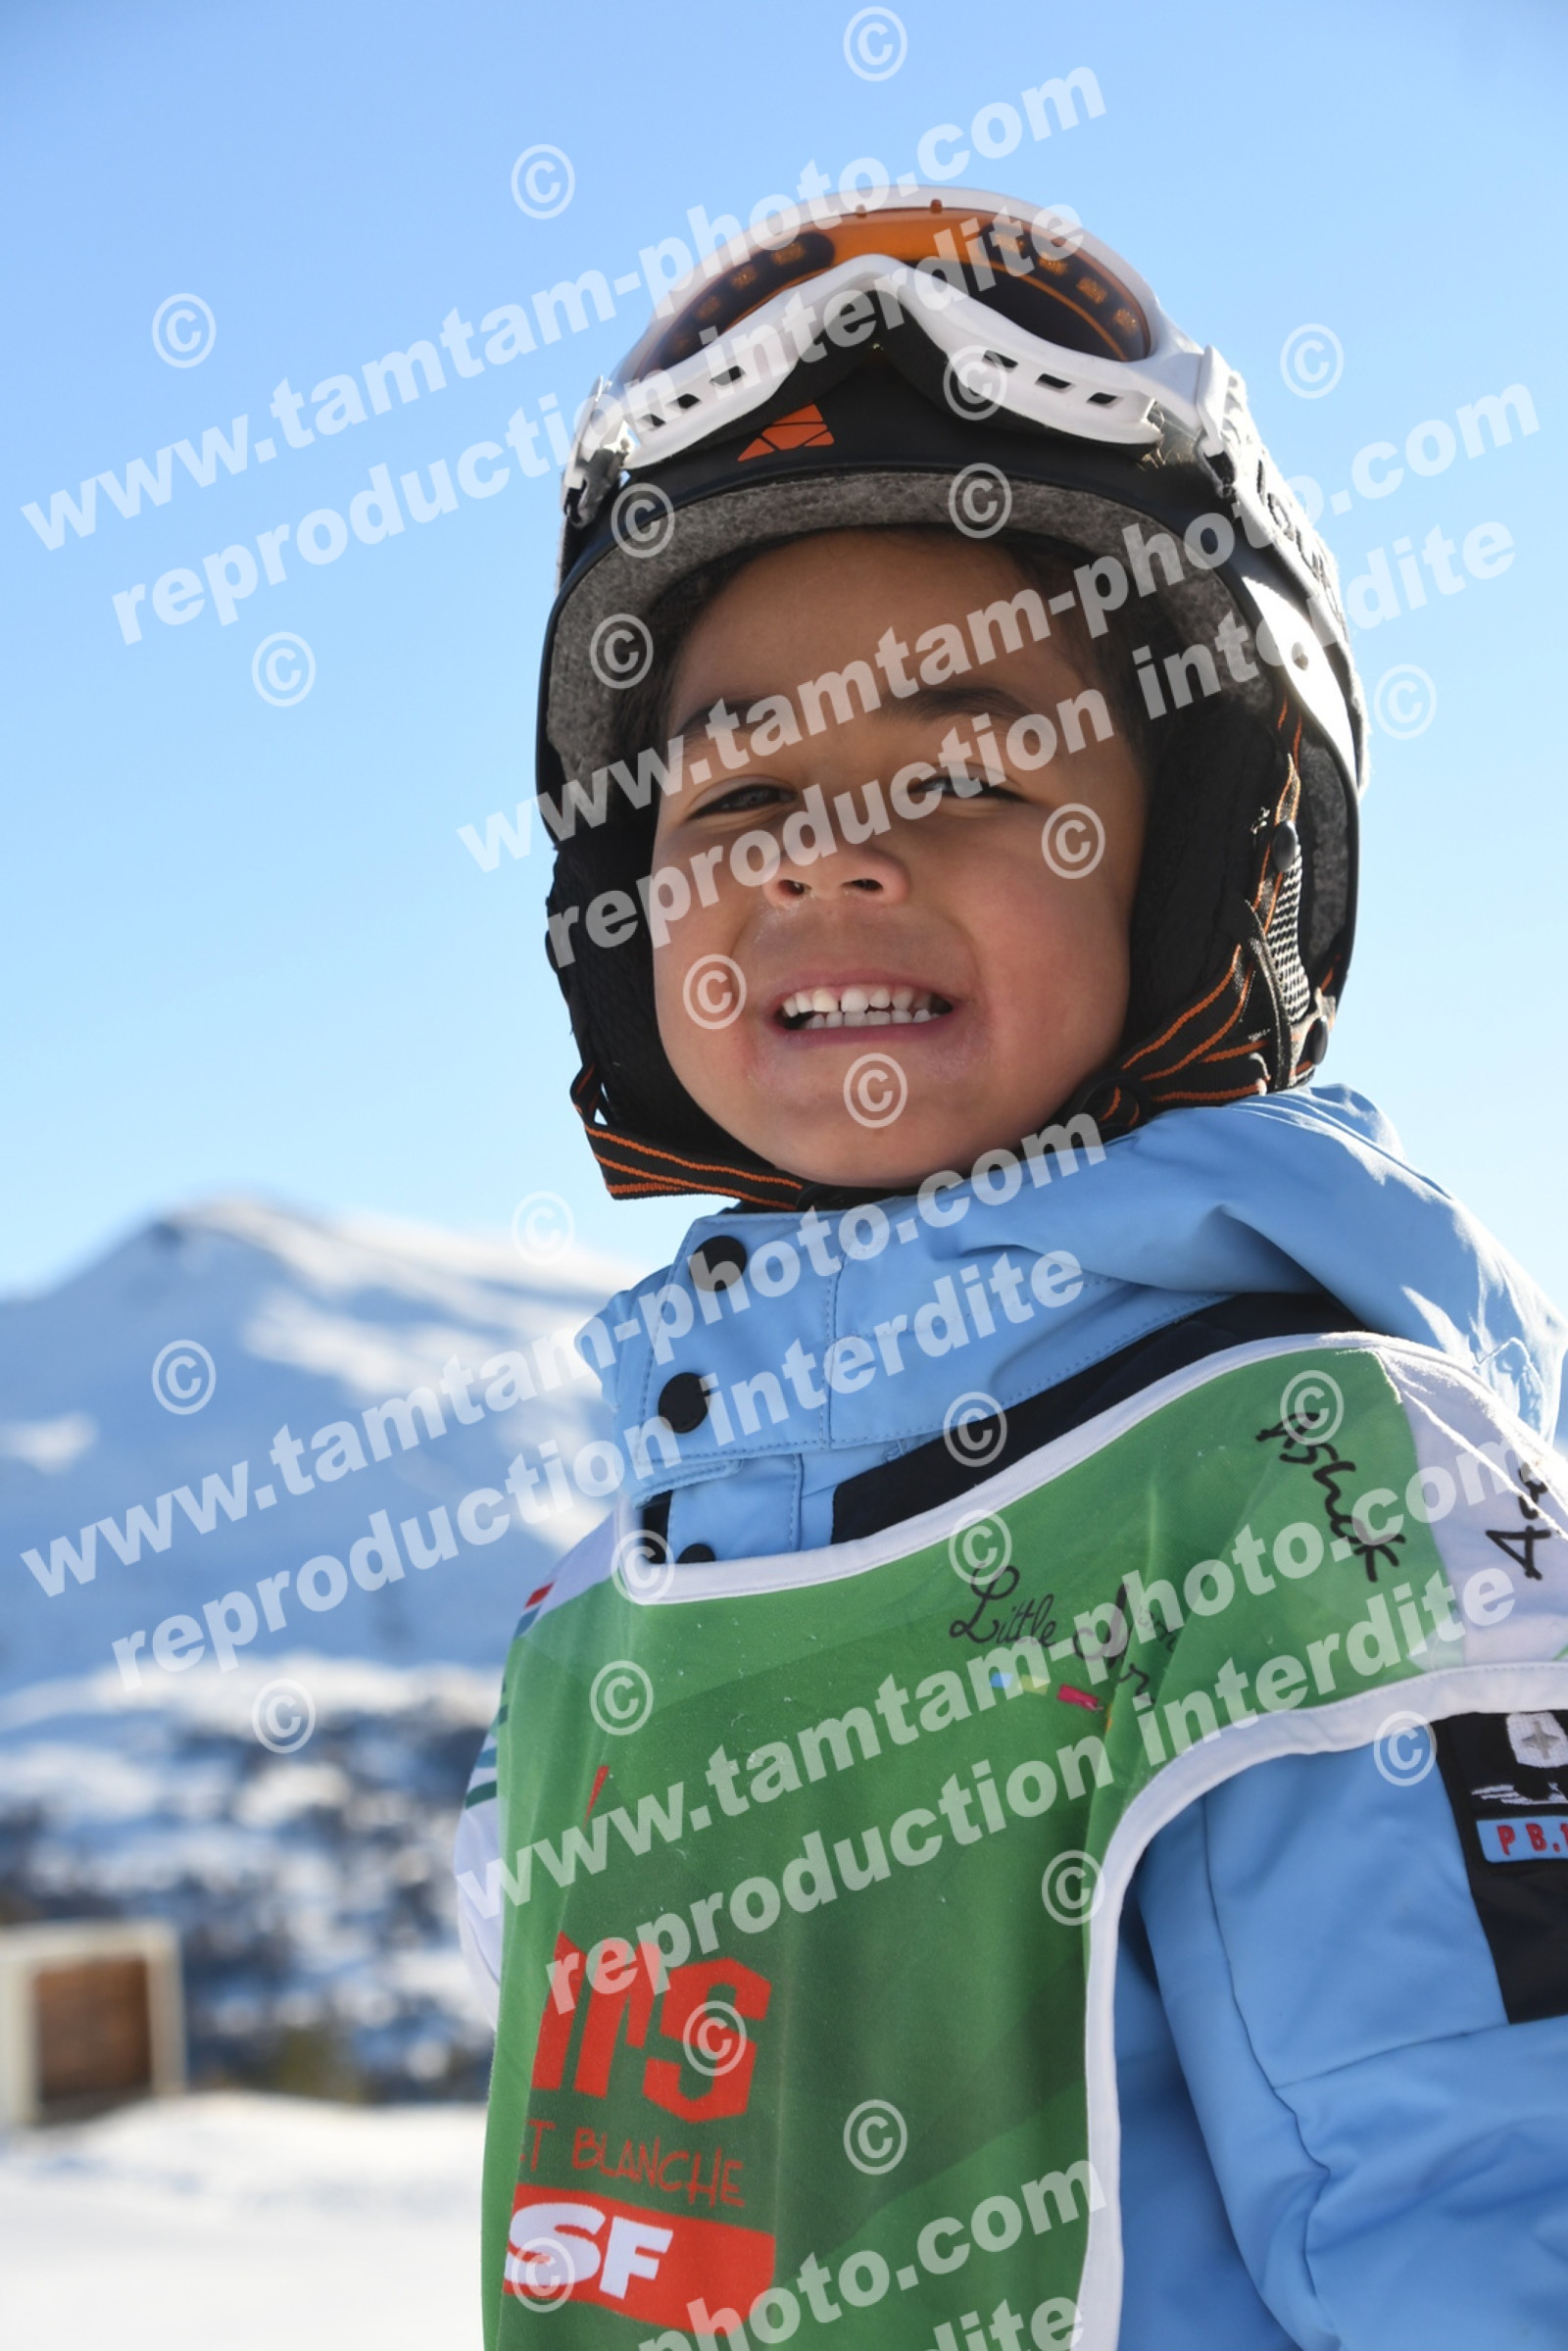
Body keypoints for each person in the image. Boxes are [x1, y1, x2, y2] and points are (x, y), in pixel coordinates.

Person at [456, 188, 1568, 2351]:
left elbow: (1483, 2216)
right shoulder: (606, 1595)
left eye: (966, 771)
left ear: (1205, 861)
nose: (832, 858)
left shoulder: (1299, 1491)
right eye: (738, 797)